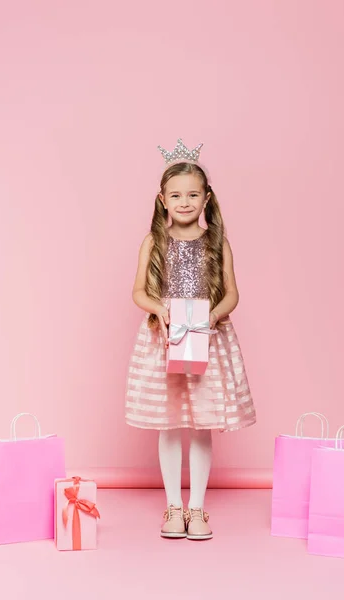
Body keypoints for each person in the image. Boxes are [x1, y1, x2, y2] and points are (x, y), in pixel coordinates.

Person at [125, 138, 256, 540]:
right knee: (169, 424)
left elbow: (232, 292)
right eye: (176, 194)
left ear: (206, 199)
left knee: (201, 425)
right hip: (164, 337)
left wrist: (212, 315)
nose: (185, 201)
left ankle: (197, 509)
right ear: (163, 199)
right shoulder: (154, 242)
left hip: (207, 338)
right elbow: (138, 292)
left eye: (193, 194)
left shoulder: (217, 243)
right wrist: (160, 310)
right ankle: (172, 506)